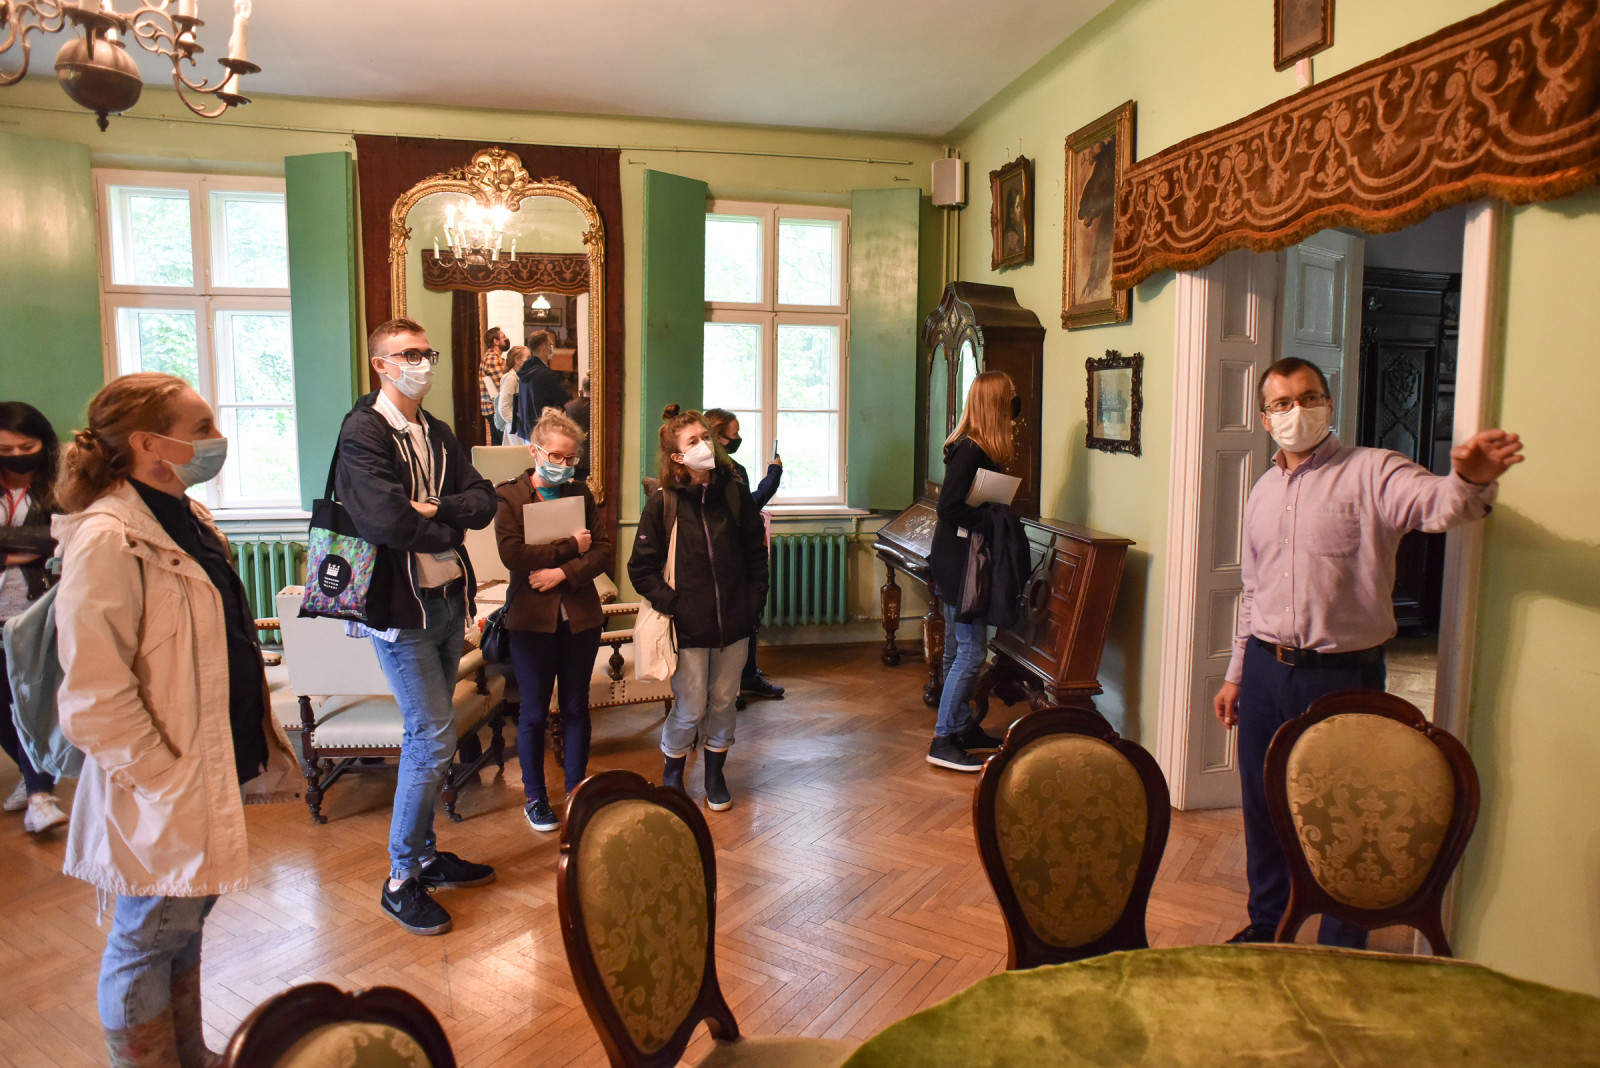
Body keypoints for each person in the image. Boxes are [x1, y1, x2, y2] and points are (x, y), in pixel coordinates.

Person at [1213, 356, 1525, 947]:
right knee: (1262, 805)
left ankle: (1342, 946)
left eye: (1309, 397)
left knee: (1347, 812)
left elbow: (1440, 505)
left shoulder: (1373, 471)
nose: (1297, 411)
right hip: (1264, 671)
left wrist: (1469, 479)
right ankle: (1266, 926)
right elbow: (1253, 591)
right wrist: (1235, 674)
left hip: (1343, 677)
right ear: (1265, 418)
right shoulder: (1261, 490)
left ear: (1329, 403)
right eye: (1282, 403)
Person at [53, 373, 292, 1066]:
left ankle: (191, 1055)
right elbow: (94, 693)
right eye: (202, 428)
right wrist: (161, 777)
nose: (217, 439)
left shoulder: (188, 516)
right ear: (148, 443)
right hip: (165, 777)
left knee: (183, 925)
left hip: (207, 762)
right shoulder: (108, 538)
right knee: (146, 938)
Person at [335, 318, 499, 937]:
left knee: (432, 734)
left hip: (448, 601)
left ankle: (427, 857)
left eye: (427, 352)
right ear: (381, 364)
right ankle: (401, 877)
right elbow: (385, 521)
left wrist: (437, 510)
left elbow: (483, 501)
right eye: (408, 354)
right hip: (400, 611)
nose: (422, 362)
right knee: (430, 737)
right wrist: (447, 522)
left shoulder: (437, 430)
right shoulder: (363, 431)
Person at [629, 405, 767, 811]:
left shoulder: (734, 493)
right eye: (694, 441)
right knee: (690, 708)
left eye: (706, 436)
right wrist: (676, 605)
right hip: (687, 629)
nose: (705, 444)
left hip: (734, 625)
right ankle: (673, 773)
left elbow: (756, 555)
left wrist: (752, 604)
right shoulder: (663, 503)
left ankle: (714, 774)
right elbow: (641, 569)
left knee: (723, 702)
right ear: (677, 456)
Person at [494, 407, 612, 833]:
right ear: (535, 451)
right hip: (530, 622)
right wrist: (568, 548)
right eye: (556, 456)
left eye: (571, 457)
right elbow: (513, 554)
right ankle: (535, 799)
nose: (563, 464)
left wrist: (562, 572)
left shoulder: (580, 494)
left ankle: (577, 792)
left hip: (580, 618)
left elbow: (602, 550)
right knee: (533, 713)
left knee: (577, 706)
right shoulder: (509, 496)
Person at [925, 371, 1020, 772]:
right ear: (997, 404)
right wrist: (991, 520)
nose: (1016, 405)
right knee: (972, 651)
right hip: (963, 565)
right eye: (1011, 398)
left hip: (955, 561)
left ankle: (962, 726)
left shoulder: (969, 446)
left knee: (956, 650)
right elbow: (949, 508)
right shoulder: (970, 451)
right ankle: (944, 738)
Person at [0, 401, 67, 833]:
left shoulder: (62, 482)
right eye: (6, 449)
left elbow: (61, 536)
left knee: (29, 698)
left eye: (26, 447)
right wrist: (24, 547)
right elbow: (42, 539)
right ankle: (32, 776)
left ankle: (40, 795)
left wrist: (16, 544)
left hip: (36, 608)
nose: (17, 456)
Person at [703, 408, 785, 701]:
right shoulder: (716, 472)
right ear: (718, 436)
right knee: (731, 622)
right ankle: (730, 685)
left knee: (750, 617)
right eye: (734, 433)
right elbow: (748, 507)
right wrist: (773, 476)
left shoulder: (733, 467)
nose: (738, 438)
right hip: (725, 555)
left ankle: (747, 676)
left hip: (742, 553)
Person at [512, 330, 571, 442]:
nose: (552, 348)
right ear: (544, 348)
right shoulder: (544, 374)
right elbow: (563, 399)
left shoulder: (525, 370)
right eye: (551, 344)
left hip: (526, 430)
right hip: (540, 432)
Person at [495, 344, 531, 446]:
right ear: (517, 360)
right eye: (528, 357)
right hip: (515, 429)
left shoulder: (520, 377)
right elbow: (504, 407)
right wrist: (518, 423)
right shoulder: (511, 379)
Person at [480, 326, 510, 445]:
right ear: (496, 341)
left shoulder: (493, 358)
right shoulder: (492, 359)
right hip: (495, 408)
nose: (506, 339)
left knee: (497, 442)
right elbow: (503, 384)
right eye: (503, 337)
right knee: (501, 442)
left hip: (493, 407)